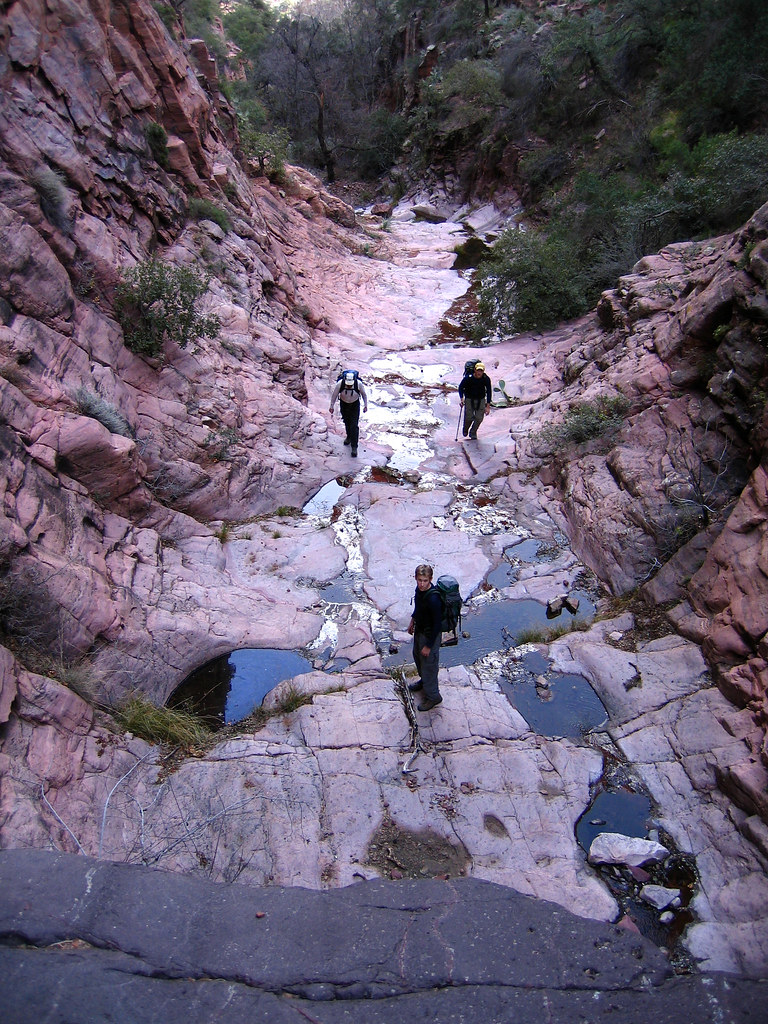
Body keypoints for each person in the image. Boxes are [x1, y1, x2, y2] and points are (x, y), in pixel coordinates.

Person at [407, 564, 443, 712]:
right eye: (419, 580)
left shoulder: (434, 599)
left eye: (425, 581)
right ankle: (424, 682)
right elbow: (418, 608)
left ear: (430, 580)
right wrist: (412, 621)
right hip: (420, 632)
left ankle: (434, 696)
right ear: (415, 578)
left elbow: (437, 625)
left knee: (429, 665)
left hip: (430, 636)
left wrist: (428, 645)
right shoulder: (419, 591)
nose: (421, 584)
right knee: (418, 657)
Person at [329, 369, 368, 458]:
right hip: (344, 404)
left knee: (354, 425)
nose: (349, 386)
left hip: (355, 405)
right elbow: (334, 395)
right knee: (347, 421)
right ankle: (349, 437)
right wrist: (331, 406)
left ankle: (354, 447)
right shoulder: (340, 384)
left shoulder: (358, 384)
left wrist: (365, 405)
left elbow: (364, 395)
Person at [458, 361, 492, 439]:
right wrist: (462, 398)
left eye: (481, 371)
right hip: (469, 399)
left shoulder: (485, 379)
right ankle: (465, 429)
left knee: (479, 418)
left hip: (481, 400)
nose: (479, 372)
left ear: (483, 371)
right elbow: (461, 387)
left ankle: (473, 432)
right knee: (469, 417)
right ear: (475, 370)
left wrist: (488, 406)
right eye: (478, 370)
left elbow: (489, 391)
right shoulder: (468, 378)